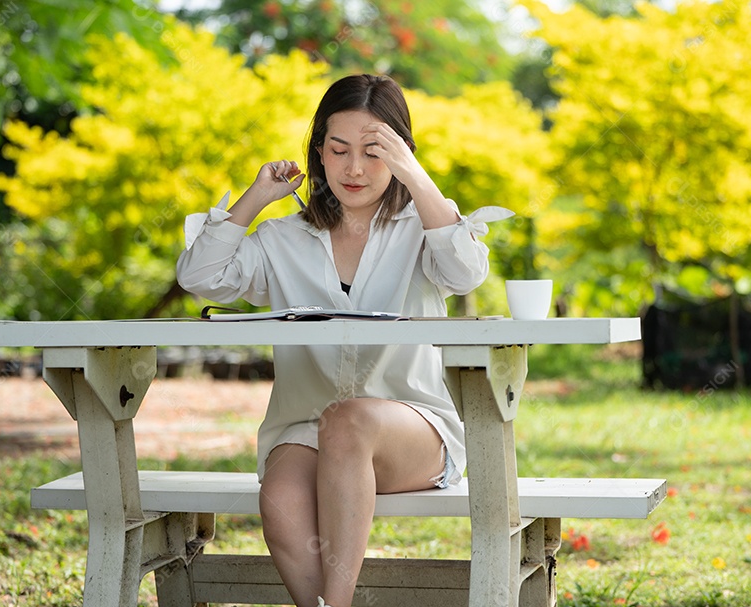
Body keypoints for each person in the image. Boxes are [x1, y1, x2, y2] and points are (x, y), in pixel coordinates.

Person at [176, 74, 511, 607]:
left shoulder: (422, 229)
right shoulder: (282, 239)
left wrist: (417, 177)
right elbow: (201, 276)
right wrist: (255, 197)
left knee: (349, 419)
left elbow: (466, 271)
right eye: (339, 150)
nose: (354, 168)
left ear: (401, 153)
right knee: (281, 500)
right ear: (319, 153)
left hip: (412, 430)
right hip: (304, 428)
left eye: (375, 151)